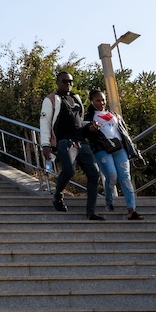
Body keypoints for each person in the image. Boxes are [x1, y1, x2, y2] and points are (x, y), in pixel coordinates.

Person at [39, 72, 104, 220]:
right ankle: (58, 194)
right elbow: (45, 122)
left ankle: (91, 212)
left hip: (81, 140)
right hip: (64, 141)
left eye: (71, 82)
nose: (68, 84)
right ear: (57, 82)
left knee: (94, 173)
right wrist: (45, 144)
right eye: (65, 81)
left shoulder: (76, 98)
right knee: (69, 170)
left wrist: (90, 127)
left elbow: (79, 122)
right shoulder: (51, 99)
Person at [86, 90, 145, 220]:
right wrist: (90, 128)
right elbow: (83, 132)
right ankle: (109, 201)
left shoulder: (113, 114)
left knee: (125, 177)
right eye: (98, 100)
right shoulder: (88, 117)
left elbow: (125, 133)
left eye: (103, 100)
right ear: (92, 101)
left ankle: (131, 209)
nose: (101, 103)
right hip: (101, 148)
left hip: (119, 147)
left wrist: (134, 150)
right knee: (112, 175)